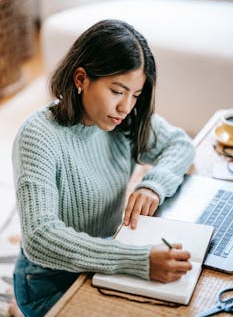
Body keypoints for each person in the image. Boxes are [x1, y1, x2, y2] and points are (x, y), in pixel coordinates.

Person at [12, 19, 195, 317]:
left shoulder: (123, 120)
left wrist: (153, 184)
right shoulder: (39, 135)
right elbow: (39, 237)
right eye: (117, 91)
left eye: (135, 95)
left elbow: (181, 145)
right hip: (48, 282)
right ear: (81, 78)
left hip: (105, 261)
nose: (126, 107)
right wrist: (138, 261)